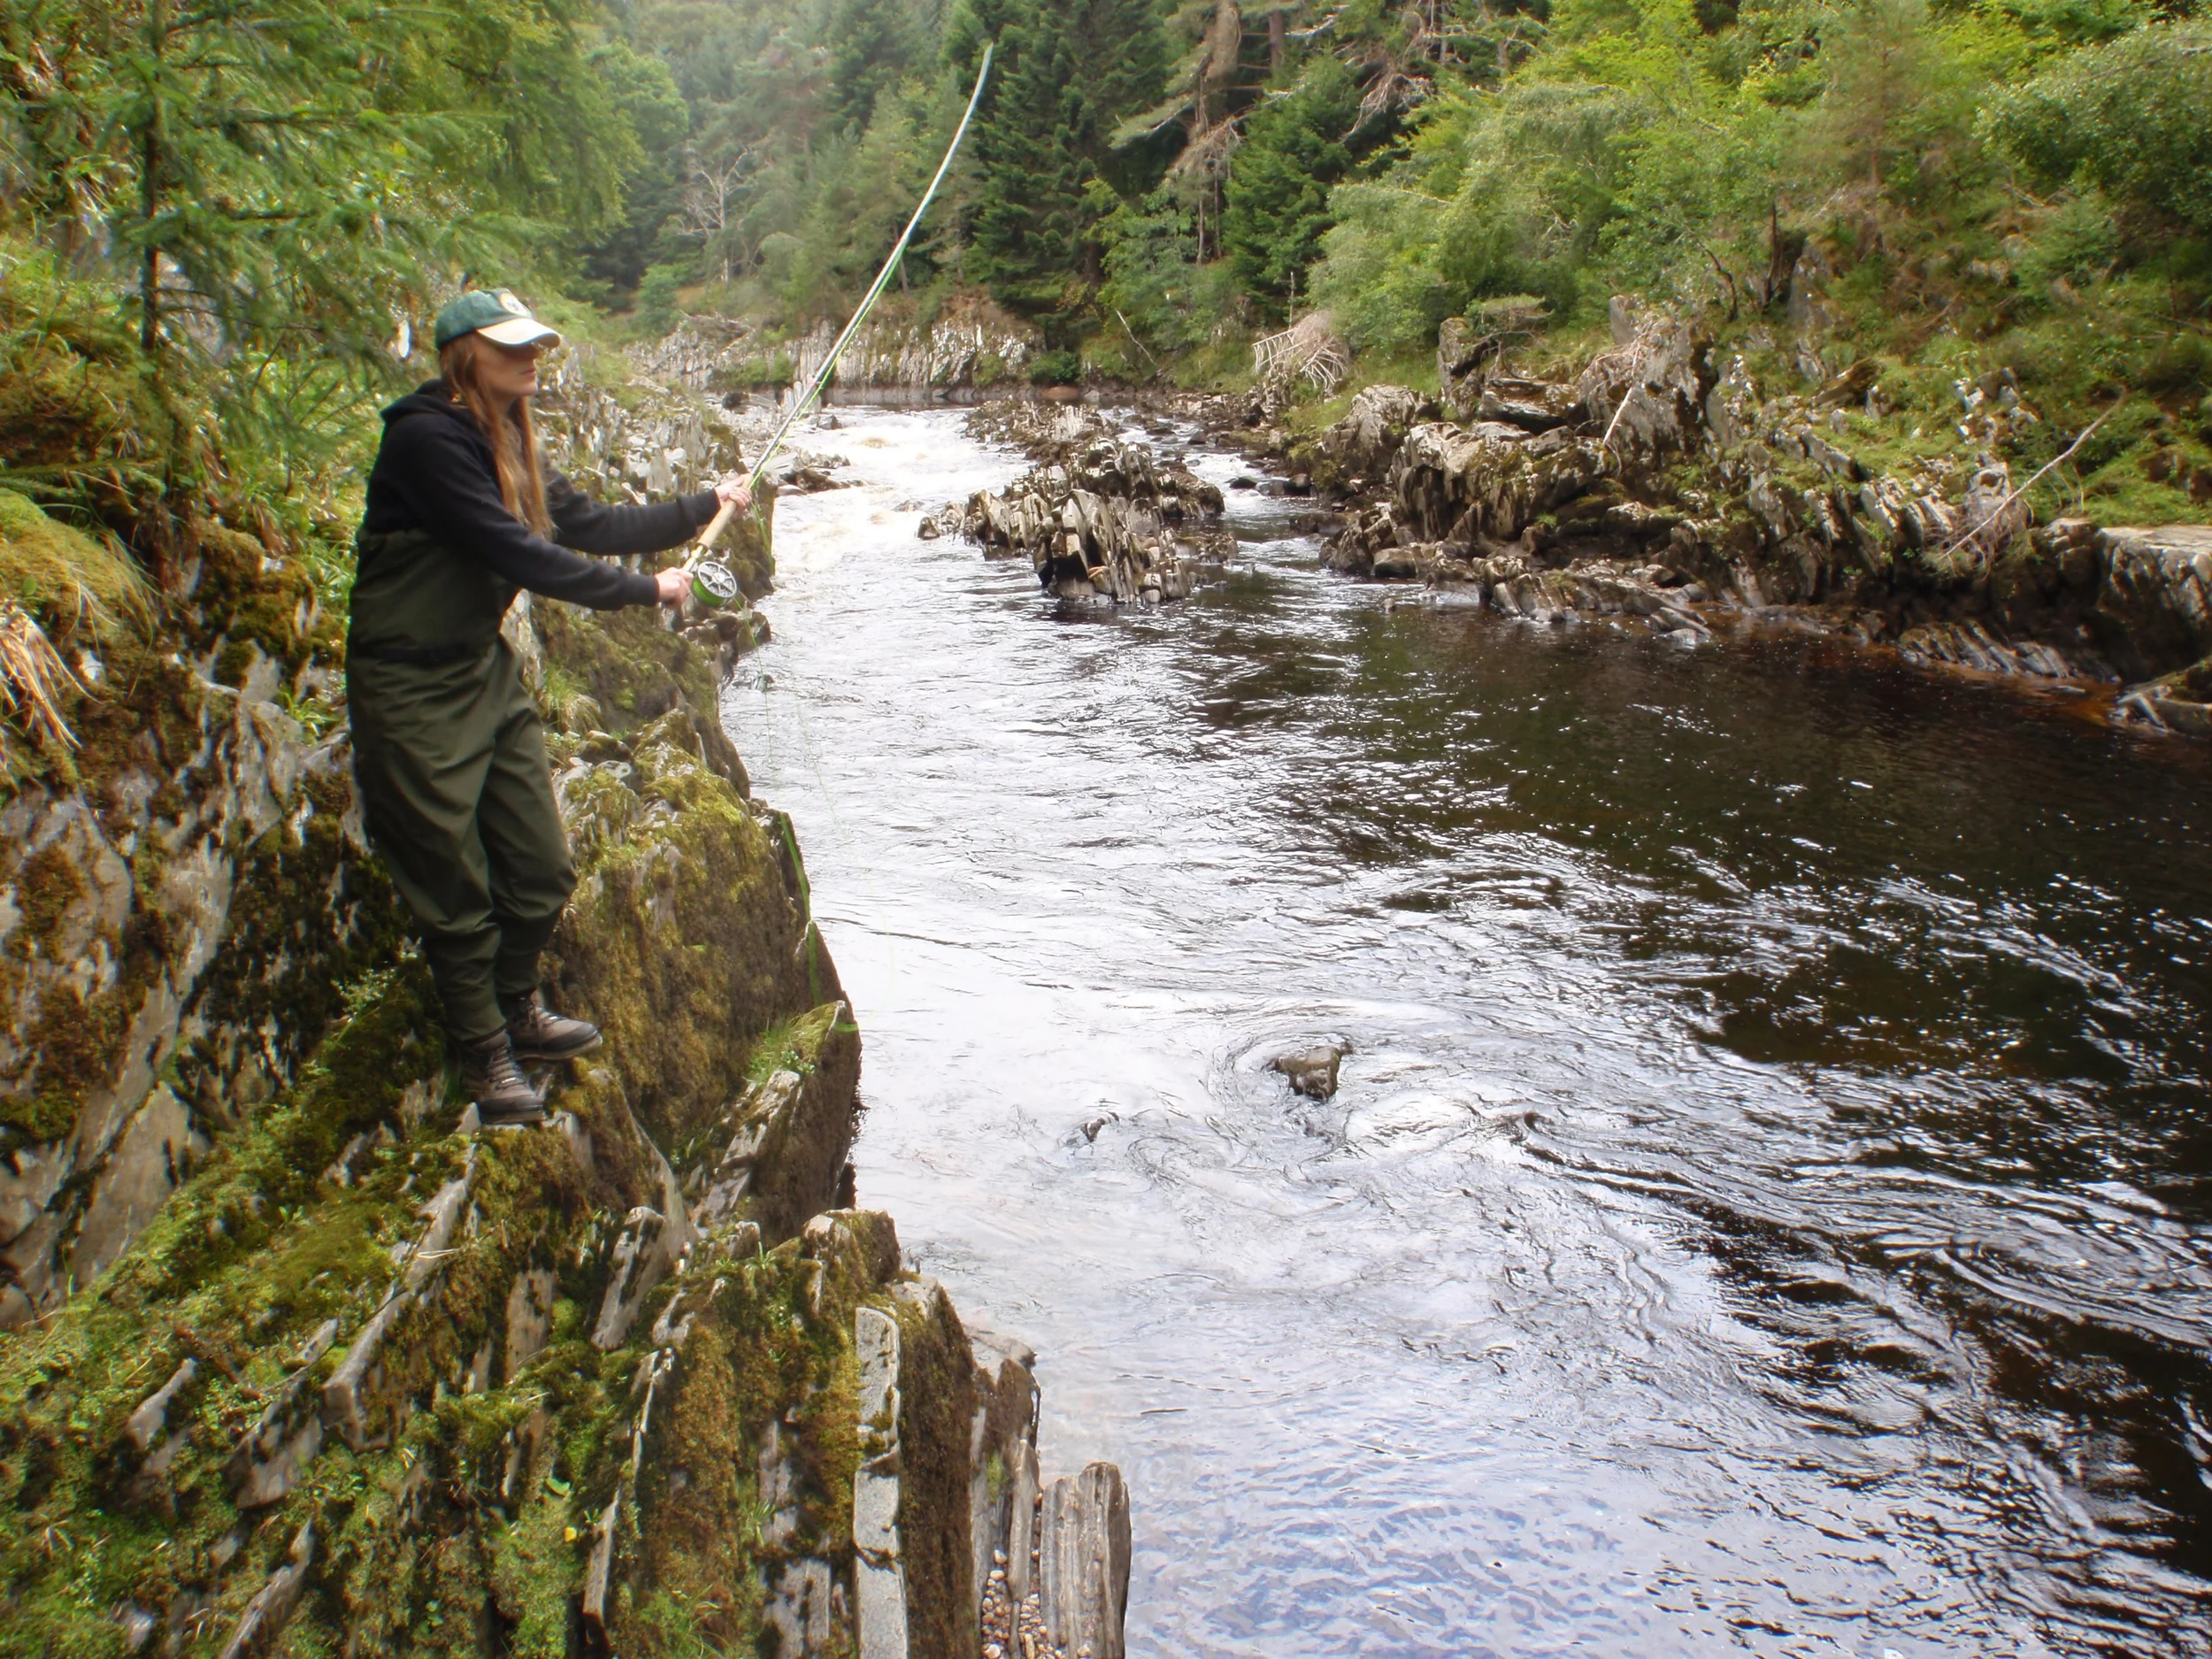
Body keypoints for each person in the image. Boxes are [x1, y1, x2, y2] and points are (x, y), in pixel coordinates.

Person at [349, 288, 750, 1125]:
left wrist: (703, 506)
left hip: (480, 672)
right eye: (513, 346)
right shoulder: (426, 441)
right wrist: (650, 589)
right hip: (408, 684)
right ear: (465, 355)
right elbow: (518, 552)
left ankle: (519, 1008)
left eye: (537, 345)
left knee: (540, 870)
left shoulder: (511, 437)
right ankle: (486, 1053)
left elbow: (587, 522)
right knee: (453, 887)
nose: (533, 357)